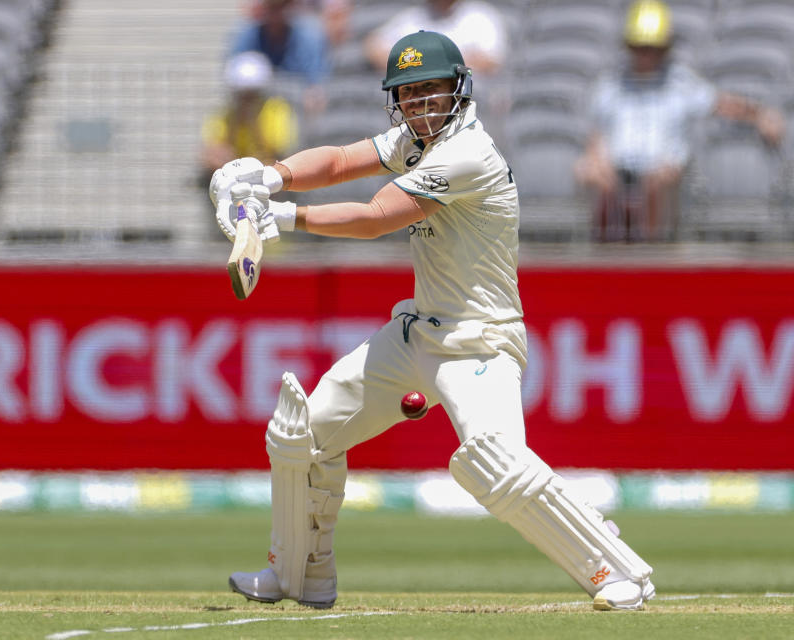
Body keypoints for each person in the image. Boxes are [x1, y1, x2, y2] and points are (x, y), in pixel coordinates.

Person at [210, 30, 656, 612]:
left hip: (480, 343)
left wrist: (283, 218)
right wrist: (269, 177)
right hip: (418, 331)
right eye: (409, 93)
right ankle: (300, 578)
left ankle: (616, 571)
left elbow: (375, 217)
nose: (421, 104)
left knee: (490, 463)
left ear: (459, 90)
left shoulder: (466, 153)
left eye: (432, 91)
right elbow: (343, 160)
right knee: (303, 432)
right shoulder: (414, 138)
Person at [574, 0, 786, 242]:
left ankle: (650, 252)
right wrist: (597, 161)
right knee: (587, 171)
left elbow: (722, 104)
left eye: (652, 48)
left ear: (665, 48)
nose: (645, 55)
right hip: (618, 172)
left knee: (658, 180)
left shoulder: (681, 84)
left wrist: (760, 115)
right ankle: (603, 252)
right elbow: (596, 135)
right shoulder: (610, 86)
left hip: (663, 174)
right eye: (639, 47)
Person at [200, 51, 298, 183]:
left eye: (251, 95)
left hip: (268, 184)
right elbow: (212, 153)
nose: (246, 101)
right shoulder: (226, 114)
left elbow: (278, 155)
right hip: (235, 184)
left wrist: (254, 123)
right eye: (241, 95)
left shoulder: (276, 110)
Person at [229, 0, 332, 113]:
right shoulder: (248, 36)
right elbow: (235, 84)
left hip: (295, 115)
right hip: (257, 116)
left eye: (282, 6)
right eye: (271, 7)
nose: (276, 14)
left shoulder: (307, 38)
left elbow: (315, 90)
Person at [363, 1, 508, 79]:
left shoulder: (481, 16)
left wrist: (422, 63)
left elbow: (490, 63)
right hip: (419, 96)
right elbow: (373, 48)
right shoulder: (412, 17)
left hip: (466, 96)